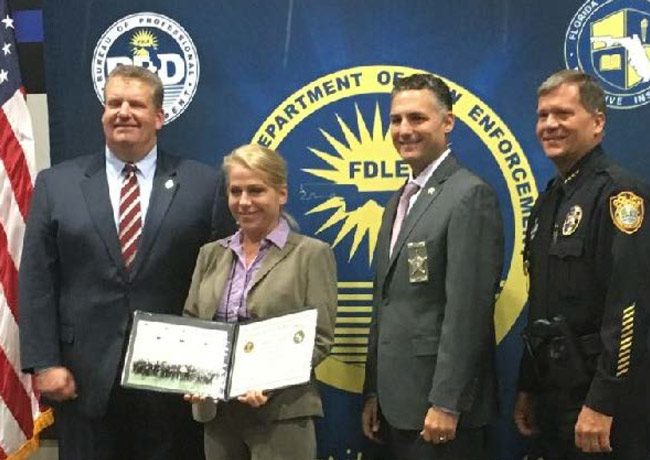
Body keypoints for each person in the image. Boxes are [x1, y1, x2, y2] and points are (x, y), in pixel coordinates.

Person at [19, 65, 235, 460]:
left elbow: (220, 282)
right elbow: (36, 279)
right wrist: (43, 362)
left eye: (136, 104)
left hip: (173, 383)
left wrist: (212, 366)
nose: (123, 112)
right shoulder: (57, 184)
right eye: (114, 102)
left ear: (159, 117)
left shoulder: (204, 185)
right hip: (82, 381)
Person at [361, 73, 504, 460]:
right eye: (396, 120)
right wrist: (374, 389)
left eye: (417, 118)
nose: (404, 130)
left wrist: (446, 402)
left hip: (440, 414)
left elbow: (468, 313)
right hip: (397, 406)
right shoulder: (398, 201)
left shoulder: (469, 195)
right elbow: (387, 304)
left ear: (448, 122)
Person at [513, 69, 650, 459]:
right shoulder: (550, 200)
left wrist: (604, 401)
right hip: (555, 395)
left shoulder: (620, 194)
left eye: (563, 114)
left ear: (597, 123)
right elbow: (542, 305)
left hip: (603, 399)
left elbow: (631, 306)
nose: (549, 125)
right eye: (543, 115)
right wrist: (529, 385)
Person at [183, 144, 337, 460]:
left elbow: (318, 338)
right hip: (218, 416)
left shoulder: (311, 254)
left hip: (282, 413)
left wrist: (268, 382)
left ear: (281, 194)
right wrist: (193, 374)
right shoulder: (210, 254)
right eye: (235, 191)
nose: (244, 202)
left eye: (256, 191)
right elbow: (193, 325)